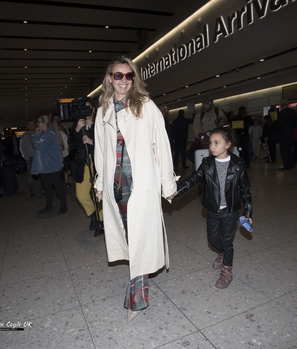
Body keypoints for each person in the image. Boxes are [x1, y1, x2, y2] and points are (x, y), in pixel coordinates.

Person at [94, 55, 177, 322]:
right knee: (130, 238)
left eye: (129, 76)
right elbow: (100, 149)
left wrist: (168, 183)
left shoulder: (145, 105)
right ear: (110, 78)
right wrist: (98, 182)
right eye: (118, 75)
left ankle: (137, 301)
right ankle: (137, 288)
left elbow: (161, 145)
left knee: (139, 238)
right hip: (115, 184)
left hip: (140, 182)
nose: (124, 81)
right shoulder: (104, 108)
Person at [172, 122, 252, 289]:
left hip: (230, 211)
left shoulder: (238, 165)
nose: (212, 146)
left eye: (217, 143)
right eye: (210, 143)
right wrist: (176, 191)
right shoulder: (207, 163)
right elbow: (194, 179)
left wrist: (248, 212)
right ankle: (221, 253)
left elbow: (245, 190)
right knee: (213, 239)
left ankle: (226, 271)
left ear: (228, 145)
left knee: (227, 241)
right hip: (213, 209)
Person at [68, 99, 104, 234]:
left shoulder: (100, 124)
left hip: (98, 163)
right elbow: (71, 145)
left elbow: (108, 144)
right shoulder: (77, 126)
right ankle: (94, 215)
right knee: (81, 195)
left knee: (99, 194)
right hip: (82, 163)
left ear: (94, 110)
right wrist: (77, 129)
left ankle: (102, 222)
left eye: (88, 108)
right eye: (83, 108)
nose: (86, 111)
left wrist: (92, 142)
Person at [32, 115, 67, 214]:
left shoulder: (49, 134)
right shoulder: (46, 134)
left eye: (39, 122)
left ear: (44, 124)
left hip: (51, 166)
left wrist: (35, 136)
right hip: (46, 167)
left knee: (57, 187)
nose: (37, 124)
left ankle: (64, 206)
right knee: (47, 188)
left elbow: (40, 146)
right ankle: (49, 206)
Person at [276, 100, 297, 170]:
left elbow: (279, 124)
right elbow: (296, 121)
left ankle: (287, 165)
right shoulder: (292, 112)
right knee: (289, 149)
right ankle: (292, 163)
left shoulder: (281, 113)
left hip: (283, 133)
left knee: (284, 150)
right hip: (290, 132)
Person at [20, 120, 37, 197]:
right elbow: (21, 147)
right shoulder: (24, 136)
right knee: (30, 176)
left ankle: (44, 189)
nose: (31, 126)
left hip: (39, 157)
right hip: (29, 158)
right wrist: (26, 157)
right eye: (29, 125)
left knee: (42, 174)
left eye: (32, 124)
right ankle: (31, 191)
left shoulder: (38, 134)